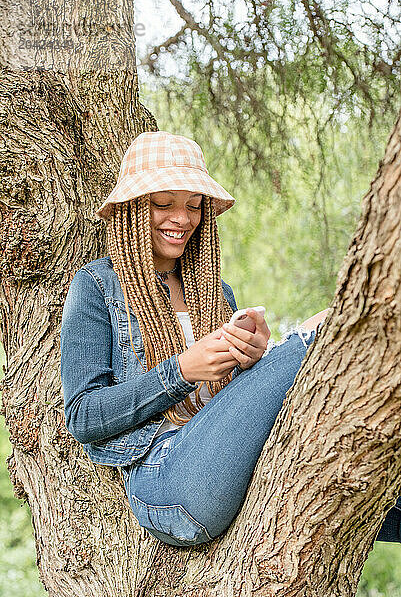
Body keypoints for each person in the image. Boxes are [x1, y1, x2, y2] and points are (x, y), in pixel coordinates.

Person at [60, 130, 401, 547]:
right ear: (132, 210)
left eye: (194, 206)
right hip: (167, 479)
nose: (182, 219)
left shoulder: (213, 290)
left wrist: (252, 361)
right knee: (323, 332)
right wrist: (182, 371)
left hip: (236, 467)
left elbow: (226, 405)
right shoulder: (97, 286)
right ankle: (321, 334)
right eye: (163, 204)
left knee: (380, 485)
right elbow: (83, 416)